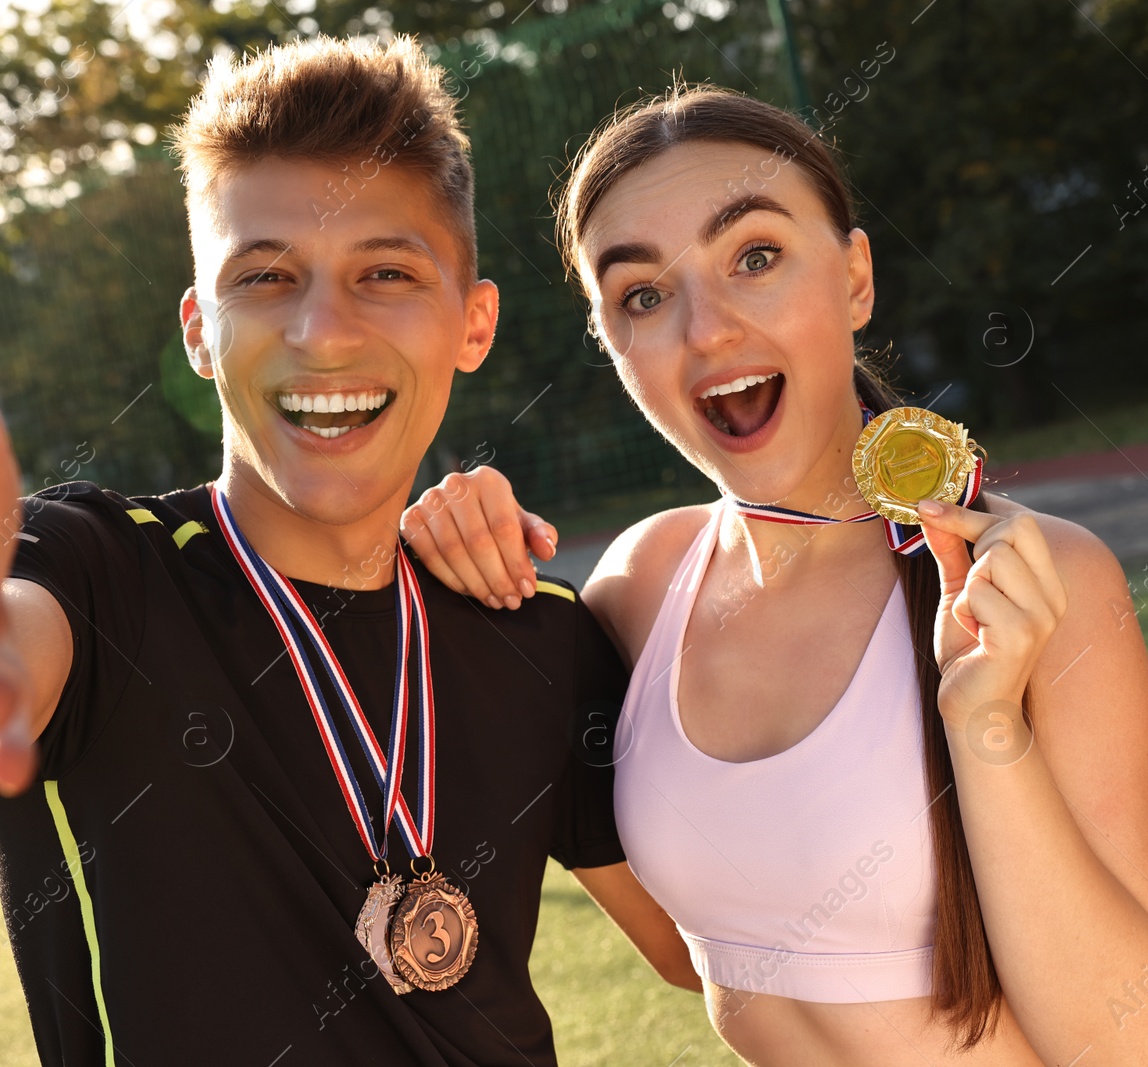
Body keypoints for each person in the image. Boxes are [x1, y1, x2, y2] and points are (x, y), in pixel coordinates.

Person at [403, 85, 1148, 1065]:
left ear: (856, 277)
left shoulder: (1036, 579)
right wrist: (447, 572)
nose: (706, 330)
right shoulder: (638, 588)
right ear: (611, 344)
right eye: (642, 294)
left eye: (755, 256)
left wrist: (985, 722)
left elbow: (1126, 1042)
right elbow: (702, 953)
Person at [0, 36, 689, 1066]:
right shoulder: (103, 573)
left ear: (473, 321)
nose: (324, 331)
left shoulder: (537, 632)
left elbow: (705, 946)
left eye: (386, 271)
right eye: (267, 275)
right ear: (199, 328)